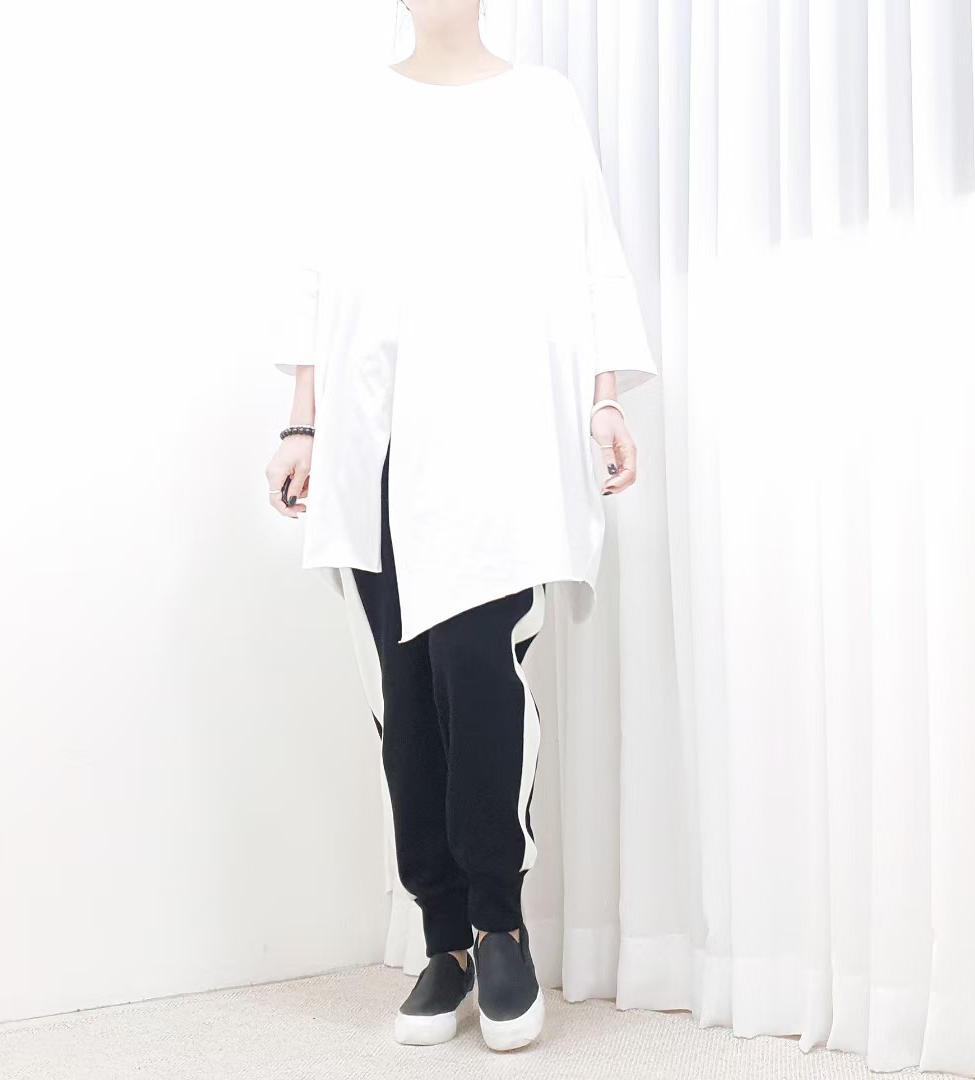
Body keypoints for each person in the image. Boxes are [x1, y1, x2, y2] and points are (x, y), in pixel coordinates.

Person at [265, 0, 658, 1053]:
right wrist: (303, 422)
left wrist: (605, 399)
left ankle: (500, 921)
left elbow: (589, 254)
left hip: (500, 440)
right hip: (378, 438)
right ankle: (443, 938)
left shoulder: (541, 105)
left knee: (481, 674)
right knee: (405, 694)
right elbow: (318, 274)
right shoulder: (356, 111)